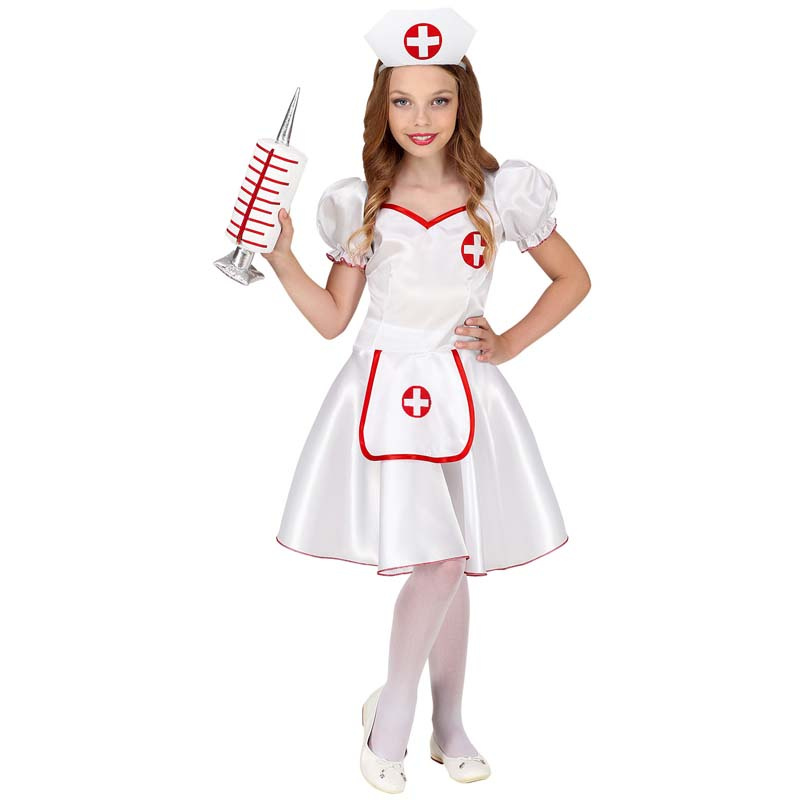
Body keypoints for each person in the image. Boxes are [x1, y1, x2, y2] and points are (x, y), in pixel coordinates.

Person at [262, 8, 591, 793]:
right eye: (403, 101)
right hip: (384, 391)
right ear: (381, 106)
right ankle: (393, 717)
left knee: (455, 559)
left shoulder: (499, 193)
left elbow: (573, 278)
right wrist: (280, 258)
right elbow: (333, 319)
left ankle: (449, 723)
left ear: (462, 102)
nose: (420, 118)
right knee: (439, 560)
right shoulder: (362, 203)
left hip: (464, 390)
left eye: (438, 100)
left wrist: (508, 342)